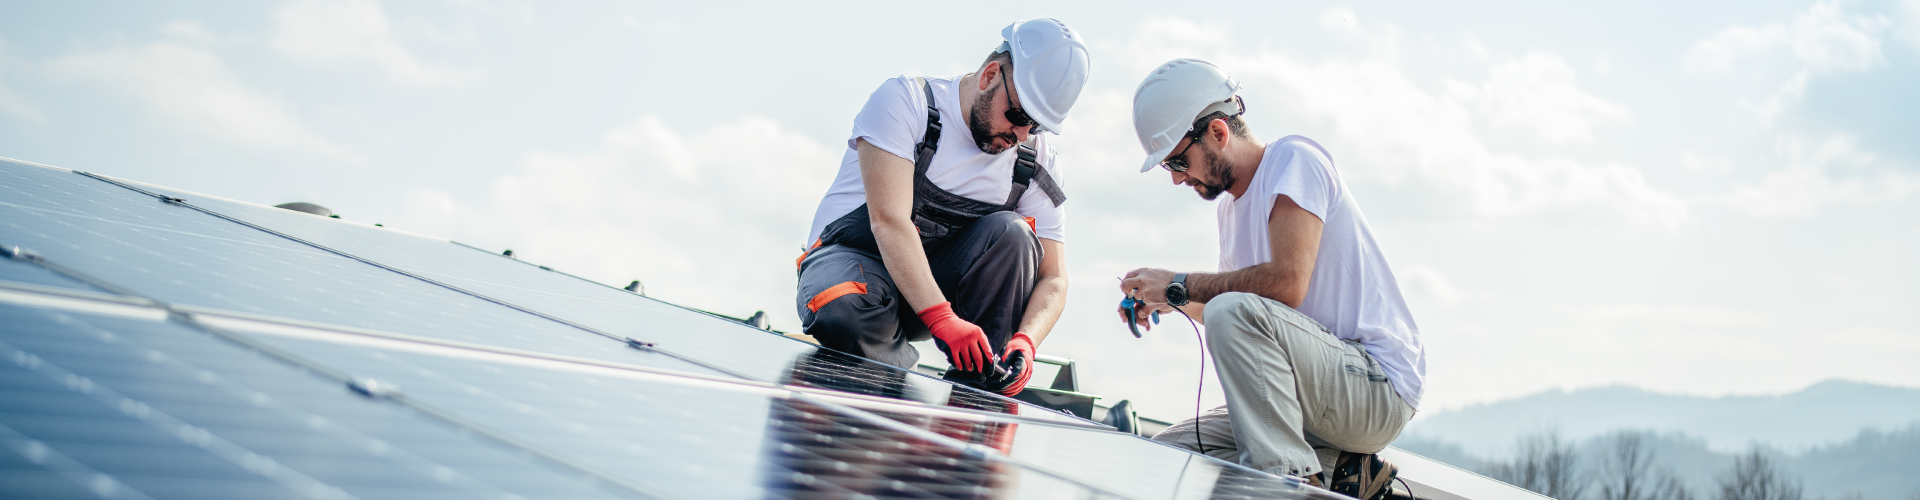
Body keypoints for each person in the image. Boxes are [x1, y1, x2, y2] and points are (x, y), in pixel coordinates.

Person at [1118, 59, 1425, 499]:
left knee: (1232, 309)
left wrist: (1178, 281)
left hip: (1376, 389)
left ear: (1218, 134)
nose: (1176, 179)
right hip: (1313, 393)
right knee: (1171, 452)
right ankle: (1339, 472)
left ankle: (1287, 484)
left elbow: (1286, 284)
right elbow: (1242, 321)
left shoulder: (1293, 160)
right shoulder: (1229, 210)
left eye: (1177, 161)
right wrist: (1174, 299)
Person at [795, 19, 1089, 396]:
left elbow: (1054, 278)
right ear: (989, 76)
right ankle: (892, 380)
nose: (1022, 135)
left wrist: (1027, 342)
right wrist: (943, 319)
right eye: (1019, 116)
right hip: (856, 267)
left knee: (1015, 236)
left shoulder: (1034, 159)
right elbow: (888, 222)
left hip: (934, 294)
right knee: (841, 305)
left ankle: (979, 387)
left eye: (1036, 126)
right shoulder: (906, 102)